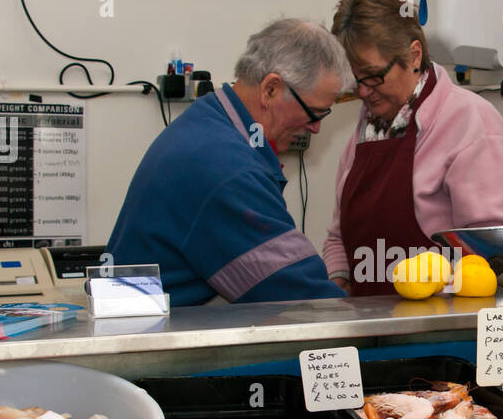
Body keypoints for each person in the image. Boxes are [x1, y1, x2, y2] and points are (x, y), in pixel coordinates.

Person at [107, 19, 350, 305]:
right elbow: (300, 297)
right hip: (153, 339)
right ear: (270, 89)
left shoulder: (208, 122)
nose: (316, 128)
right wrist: (366, 327)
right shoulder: (227, 168)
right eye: (315, 113)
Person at [322, 0, 503, 295]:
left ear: (414, 55)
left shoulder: (471, 122)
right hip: (373, 327)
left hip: (447, 331)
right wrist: (334, 290)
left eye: (373, 76)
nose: (362, 92)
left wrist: (430, 285)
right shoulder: (368, 131)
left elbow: (498, 254)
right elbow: (338, 238)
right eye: (354, 81)